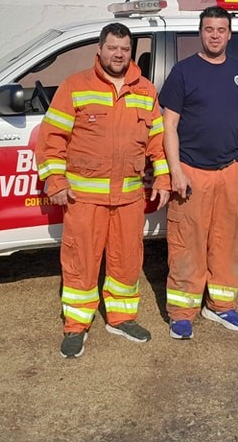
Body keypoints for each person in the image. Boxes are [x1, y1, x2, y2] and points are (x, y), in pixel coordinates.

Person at [36, 23, 171, 358]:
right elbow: (51, 138)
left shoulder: (145, 90)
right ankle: (76, 326)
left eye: (124, 49)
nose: (119, 54)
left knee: (126, 261)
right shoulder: (75, 86)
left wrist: (165, 177)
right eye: (113, 48)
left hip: (128, 198)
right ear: (100, 50)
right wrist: (55, 180)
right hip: (85, 199)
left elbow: (157, 141)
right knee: (80, 261)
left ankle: (121, 318)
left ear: (130, 51)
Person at [159, 6, 238, 340]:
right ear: (200, 32)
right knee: (188, 242)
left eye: (221, 29)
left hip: (229, 169)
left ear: (230, 34)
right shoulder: (183, 72)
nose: (215, 35)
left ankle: (221, 306)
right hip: (191, 170)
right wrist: (176, 172)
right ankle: (182, 313)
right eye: (209, 29)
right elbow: (168, 125)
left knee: (228, 241)